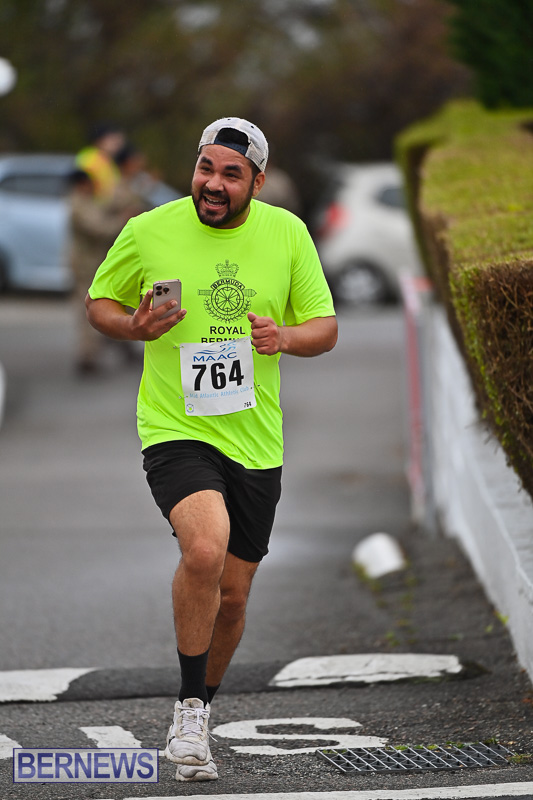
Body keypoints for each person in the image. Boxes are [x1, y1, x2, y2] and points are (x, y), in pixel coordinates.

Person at [85, 117, 337, 782]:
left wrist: (284, 337)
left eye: (230, 173)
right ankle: (191, 714)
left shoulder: (286, 234)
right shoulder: (148, 229)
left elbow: (325, 326)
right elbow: (99, 303)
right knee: (203, 547)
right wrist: (134, 327)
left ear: (256, 180)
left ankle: (198, 703)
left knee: (233, 595)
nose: (213, 184)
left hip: (255, 439)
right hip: (175, 427)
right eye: (205, 168)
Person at [68, 169, 137, 373]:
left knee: (110, 304)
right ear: (82, 184)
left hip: (91, 263)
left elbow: (106, 211)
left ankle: (108, 347)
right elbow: (98, 227)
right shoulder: (77, 204)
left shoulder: (86, 201)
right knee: (88, 310)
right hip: (84, 266)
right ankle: (87, 357)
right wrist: (123, 221)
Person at [76, 122, 125, 200]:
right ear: (99, 140)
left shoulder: (108, 160)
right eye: (113, 139)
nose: (119, 143)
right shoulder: (89, 159)